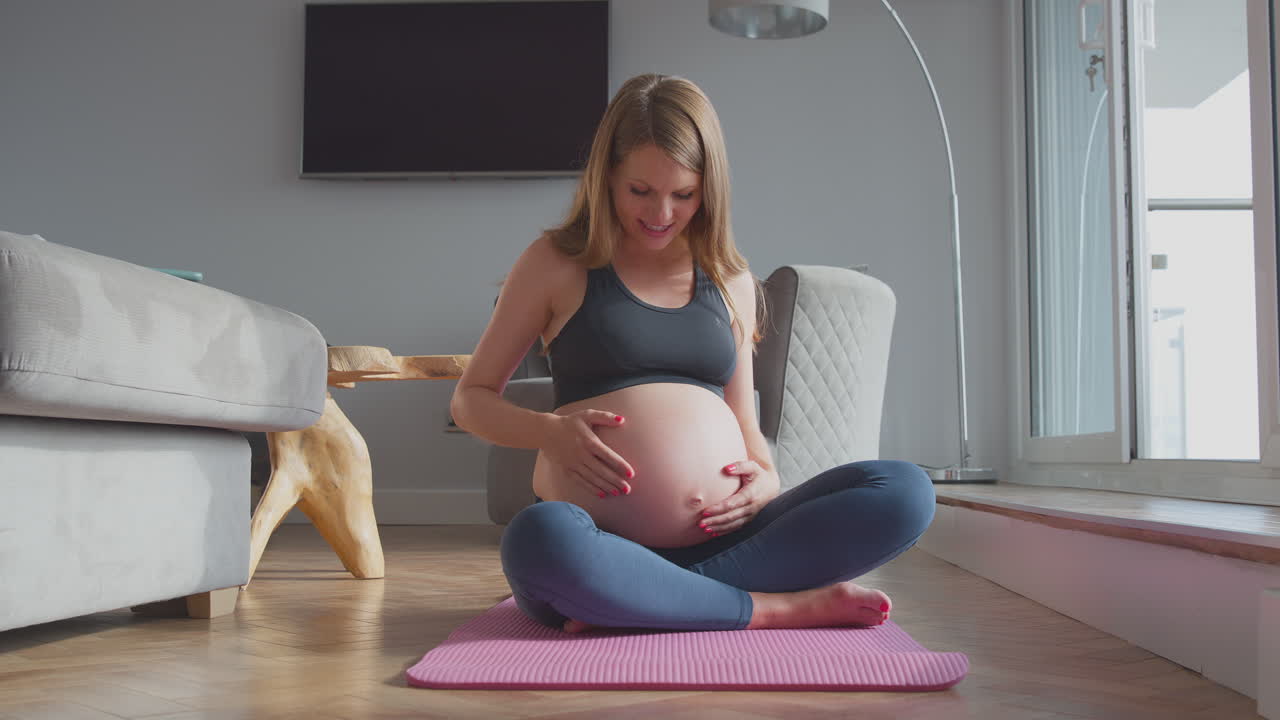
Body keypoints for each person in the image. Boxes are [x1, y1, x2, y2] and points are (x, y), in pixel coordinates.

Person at [450, 73, 936, 633]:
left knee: (905, 491)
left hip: (733, 538)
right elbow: (471, 400)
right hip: (599, 540)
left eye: (683, 194)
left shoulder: (730, 277)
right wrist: (548, 432)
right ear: (607, 175)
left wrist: (766, 480)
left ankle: (643, 601)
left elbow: (744, 423)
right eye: (641, 190)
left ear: (711, 187)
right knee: (540, 541)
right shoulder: (556, 262)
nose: (661, 212)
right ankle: (769, 607)